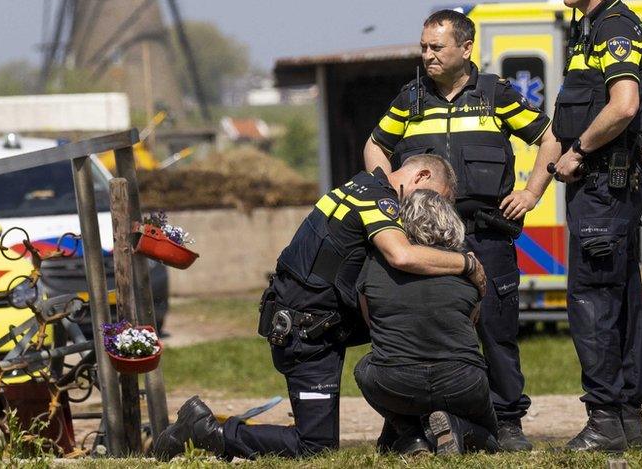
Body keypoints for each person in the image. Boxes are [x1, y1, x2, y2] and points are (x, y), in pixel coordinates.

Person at [152, 154, 486, 460]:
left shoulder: (363, 186)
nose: (431, 209)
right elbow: (403, 255)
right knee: (314, 447)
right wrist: (467, 264)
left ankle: (407, 436)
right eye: (436, 198)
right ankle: (207, 432)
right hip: (306, 332)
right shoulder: (379, 200)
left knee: (409, 333)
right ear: (422, 176)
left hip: (321, 321)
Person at [363, 9, 561, 451]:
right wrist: (387, 197)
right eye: (424, 47)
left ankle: (507, 423)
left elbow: (551, 138)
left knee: (495, 330)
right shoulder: (409, 99)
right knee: (420, 330)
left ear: (465, 48)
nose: (427, 55)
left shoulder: (496, 95)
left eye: (437, 47)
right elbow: (375, 145)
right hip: (427, 242)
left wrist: (531, 193)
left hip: (487, 235)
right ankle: (407, 426)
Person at [549, 0, 642, 452]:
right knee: (621, 299)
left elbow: (624, 104)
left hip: (603, 189)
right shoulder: (591, 29)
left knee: (592, 301)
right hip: (610, 190)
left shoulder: (614, 28)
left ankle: (604, 422)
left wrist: (578, 152)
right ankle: (627, 421)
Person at [354, 189, 499, 456]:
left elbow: (372, 323)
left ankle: (413, 435)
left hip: (394, 380)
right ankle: (455, 426)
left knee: (364, 369)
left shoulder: (375, 263)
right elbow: (471, 320)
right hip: (462, 381)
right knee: (491, 437)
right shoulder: (468, 266)